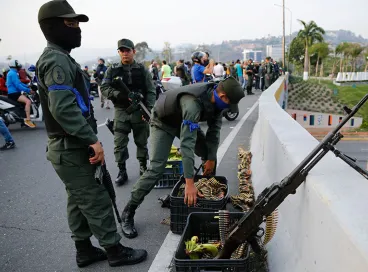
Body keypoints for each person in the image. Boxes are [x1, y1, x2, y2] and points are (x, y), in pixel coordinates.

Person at [36, 0, 147, 268]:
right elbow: (63, 109)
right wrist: (92, 140)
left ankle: (84, 250)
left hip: (67, 147)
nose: (77, 29)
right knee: (95, 198)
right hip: (72, 146)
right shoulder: (56, 60)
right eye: (70, 23)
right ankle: (115, 250)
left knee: (78, 200)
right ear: (52, 27)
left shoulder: (61, 57)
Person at [119, 76, 245, 238]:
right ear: (223, 97)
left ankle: (208, 198)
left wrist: (210, 158)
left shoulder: (217, 103)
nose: (229, 108)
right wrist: (190, 183)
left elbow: (213, 134)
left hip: (183, 120)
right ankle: (129, 210)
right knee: (157, 168)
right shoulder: (193, 105)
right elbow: (187, 146)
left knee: (208, 155)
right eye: (230, 104)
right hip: (163, 123)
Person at [101, 39, 156, 185]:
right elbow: (104, 87)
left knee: (142, 142)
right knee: (119, 144)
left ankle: (143, 167)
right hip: (121, 111)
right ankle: (122, 171)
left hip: (140, 110)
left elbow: (151, 90)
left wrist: (148, 109)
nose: (125, 53)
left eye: (128, 50)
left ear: (133, 51)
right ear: (119, 52)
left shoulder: (142, 69)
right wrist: (117, 94)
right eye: (122, 51)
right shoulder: (112, 70)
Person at [6, 60, 36, 128]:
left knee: (24, 104)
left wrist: (27, 86)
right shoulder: (13, 73)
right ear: (15, 66)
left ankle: (23, 121)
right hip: (14, 93)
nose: (19, 67)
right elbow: (17, 85)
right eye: (18, 65)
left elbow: (19, 83)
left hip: (14, 93)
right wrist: (28, 90)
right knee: (28, 101)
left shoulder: (12, 72)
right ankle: (28, 120)